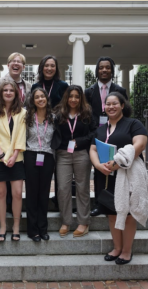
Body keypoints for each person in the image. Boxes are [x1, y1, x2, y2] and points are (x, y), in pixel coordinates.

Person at [89, 92, 148, 265]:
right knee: (111, 213)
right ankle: (116, 248)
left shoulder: (133, 124)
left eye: (115, 103)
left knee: (128, 214)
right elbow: (92, 149)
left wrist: (117, 163)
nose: (111, 107)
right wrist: (99, 166)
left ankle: (127, 250)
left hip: (127, 175)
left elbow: (140, 144)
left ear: (122, 105)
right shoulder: (100, 129)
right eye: (108, 104)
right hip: (105, 175)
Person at [85, 56, 128, 217]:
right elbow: (86, 115)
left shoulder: (120, 91)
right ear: (97, 71)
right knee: (99, 171)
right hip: (96, 135)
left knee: (115, 168)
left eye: (107, 67)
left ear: (112, 70)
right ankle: (99, 203)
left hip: (115, 133)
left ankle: (116, 201)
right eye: (101, 67)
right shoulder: (89, 91)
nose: (104, 70)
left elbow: (126, 111)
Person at [0, 52, 32, 218]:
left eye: (20, 62)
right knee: (2, 176)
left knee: (16, 175)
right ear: (8, 65)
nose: (16, 64)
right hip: (2, 131)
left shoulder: (29, 85)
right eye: (13, 61)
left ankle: (14, 207)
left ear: (23, 66)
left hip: (22, 131)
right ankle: (4, 207)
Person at [53, 85, 96, 238]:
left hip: (81, 154)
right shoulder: (59, 113)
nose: (73, 99)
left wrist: (80, 141)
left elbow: (94, 132)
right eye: (70, 96)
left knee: (82, 188)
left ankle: (83, 222)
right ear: (66, 97)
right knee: (63, 188)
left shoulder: (87, 113)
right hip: (63, 155)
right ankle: (66, 222)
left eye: (76, 96)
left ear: (80, 98)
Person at [0, 81, 27, 242]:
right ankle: (3, 226)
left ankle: (16, 227)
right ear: (1, 93)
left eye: (12, 90)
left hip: (16, 158)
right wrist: (2, 156)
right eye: (6, 90)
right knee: (1, 193)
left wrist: (14, 154)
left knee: (17, 193)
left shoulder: (22, 112)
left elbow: (21, 135)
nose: (9, 92)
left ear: (16, 93)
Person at [31, 55, 69, 210]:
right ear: (42, 67)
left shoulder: (63, 85)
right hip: (40, 130)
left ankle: (60, 201)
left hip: (57, 128)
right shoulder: (35, 85)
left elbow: (66, 106)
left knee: (58, 169)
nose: (49, 68)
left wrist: (53, 115)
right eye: (46, 65)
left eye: (52, 65)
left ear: (56, 68)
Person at [24, 88, 55, 242]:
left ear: (47, 98)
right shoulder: (27, 116)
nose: (40, 99)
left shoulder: (54, 117)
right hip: (30, 156)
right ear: (33, 100)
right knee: (32, 193)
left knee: (43, 194)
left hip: (48, 157)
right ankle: (32, 230)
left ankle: (43, 228)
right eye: (37, 97)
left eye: (43, 96)